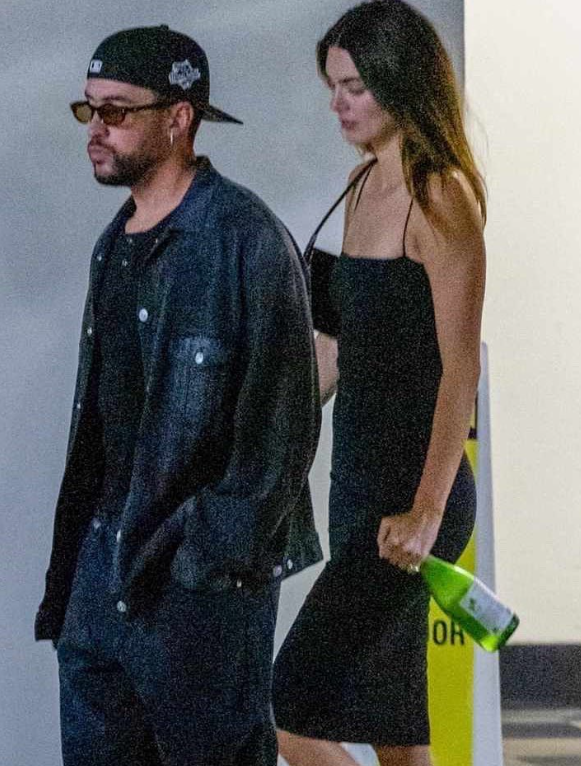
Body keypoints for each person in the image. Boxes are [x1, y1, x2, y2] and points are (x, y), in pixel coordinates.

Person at [34, 25, 322, 766]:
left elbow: (283, 430)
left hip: (198, 590)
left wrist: (209, 557)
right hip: (99, 578)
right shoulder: (114, 242)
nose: (95, 129)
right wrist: (76, 586)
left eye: (116, 111)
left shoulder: (245, 239)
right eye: (88, 108)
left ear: (179, 117)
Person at [272, 2, 486, 765]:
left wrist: (426, 511)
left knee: (288, 710)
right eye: (332, 86)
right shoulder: (359, 185)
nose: (338, 103)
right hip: (358, 486)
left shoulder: (441, 194)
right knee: (396, 731)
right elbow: (340, 346)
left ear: (401, 82)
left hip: (411, 500)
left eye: (354, 87)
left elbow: (460, 367)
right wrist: (265, 430)